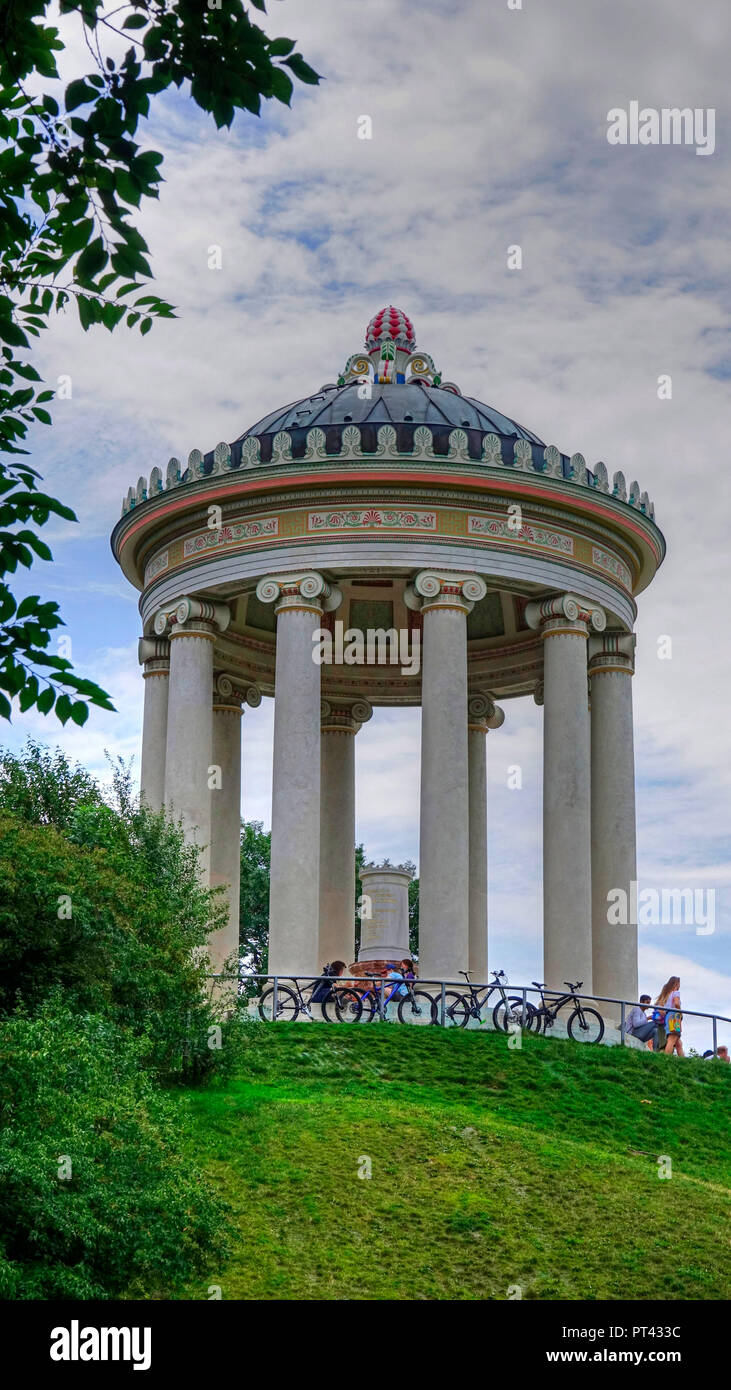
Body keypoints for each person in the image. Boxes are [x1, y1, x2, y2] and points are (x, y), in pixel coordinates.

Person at [654, 976, 683, 1057]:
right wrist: (680, 1012)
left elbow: (659, 1007)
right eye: (679, 983)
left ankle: (684, 1060)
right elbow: (677, 1003)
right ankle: (666, 1059)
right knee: (672, 1039)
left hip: (668, 1016)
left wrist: (665, 1013)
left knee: (678, 1042)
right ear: (676, 984)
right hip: (675, 1016)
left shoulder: (666, 994)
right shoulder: (675, 992)